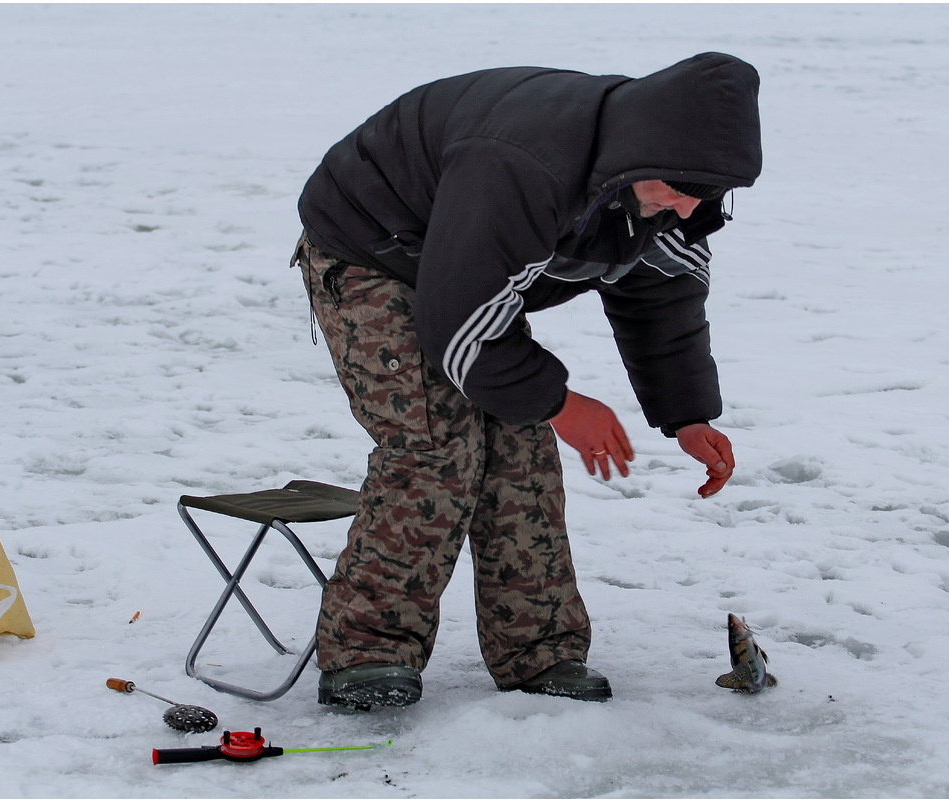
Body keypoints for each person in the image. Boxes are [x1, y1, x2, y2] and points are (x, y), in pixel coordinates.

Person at [291, 52, 762, 710]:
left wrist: (686, 414)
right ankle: (368, 652)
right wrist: (561, 403)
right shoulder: (523, 164)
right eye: (680, 188)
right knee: (435, 446)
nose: (687, 209)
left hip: (471, 265)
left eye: (705, 195)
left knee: (521, 449)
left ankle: (539, 652)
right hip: (374, 248)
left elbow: (662, 296)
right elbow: (459, 319)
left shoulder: (665, 187)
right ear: (643, 150)